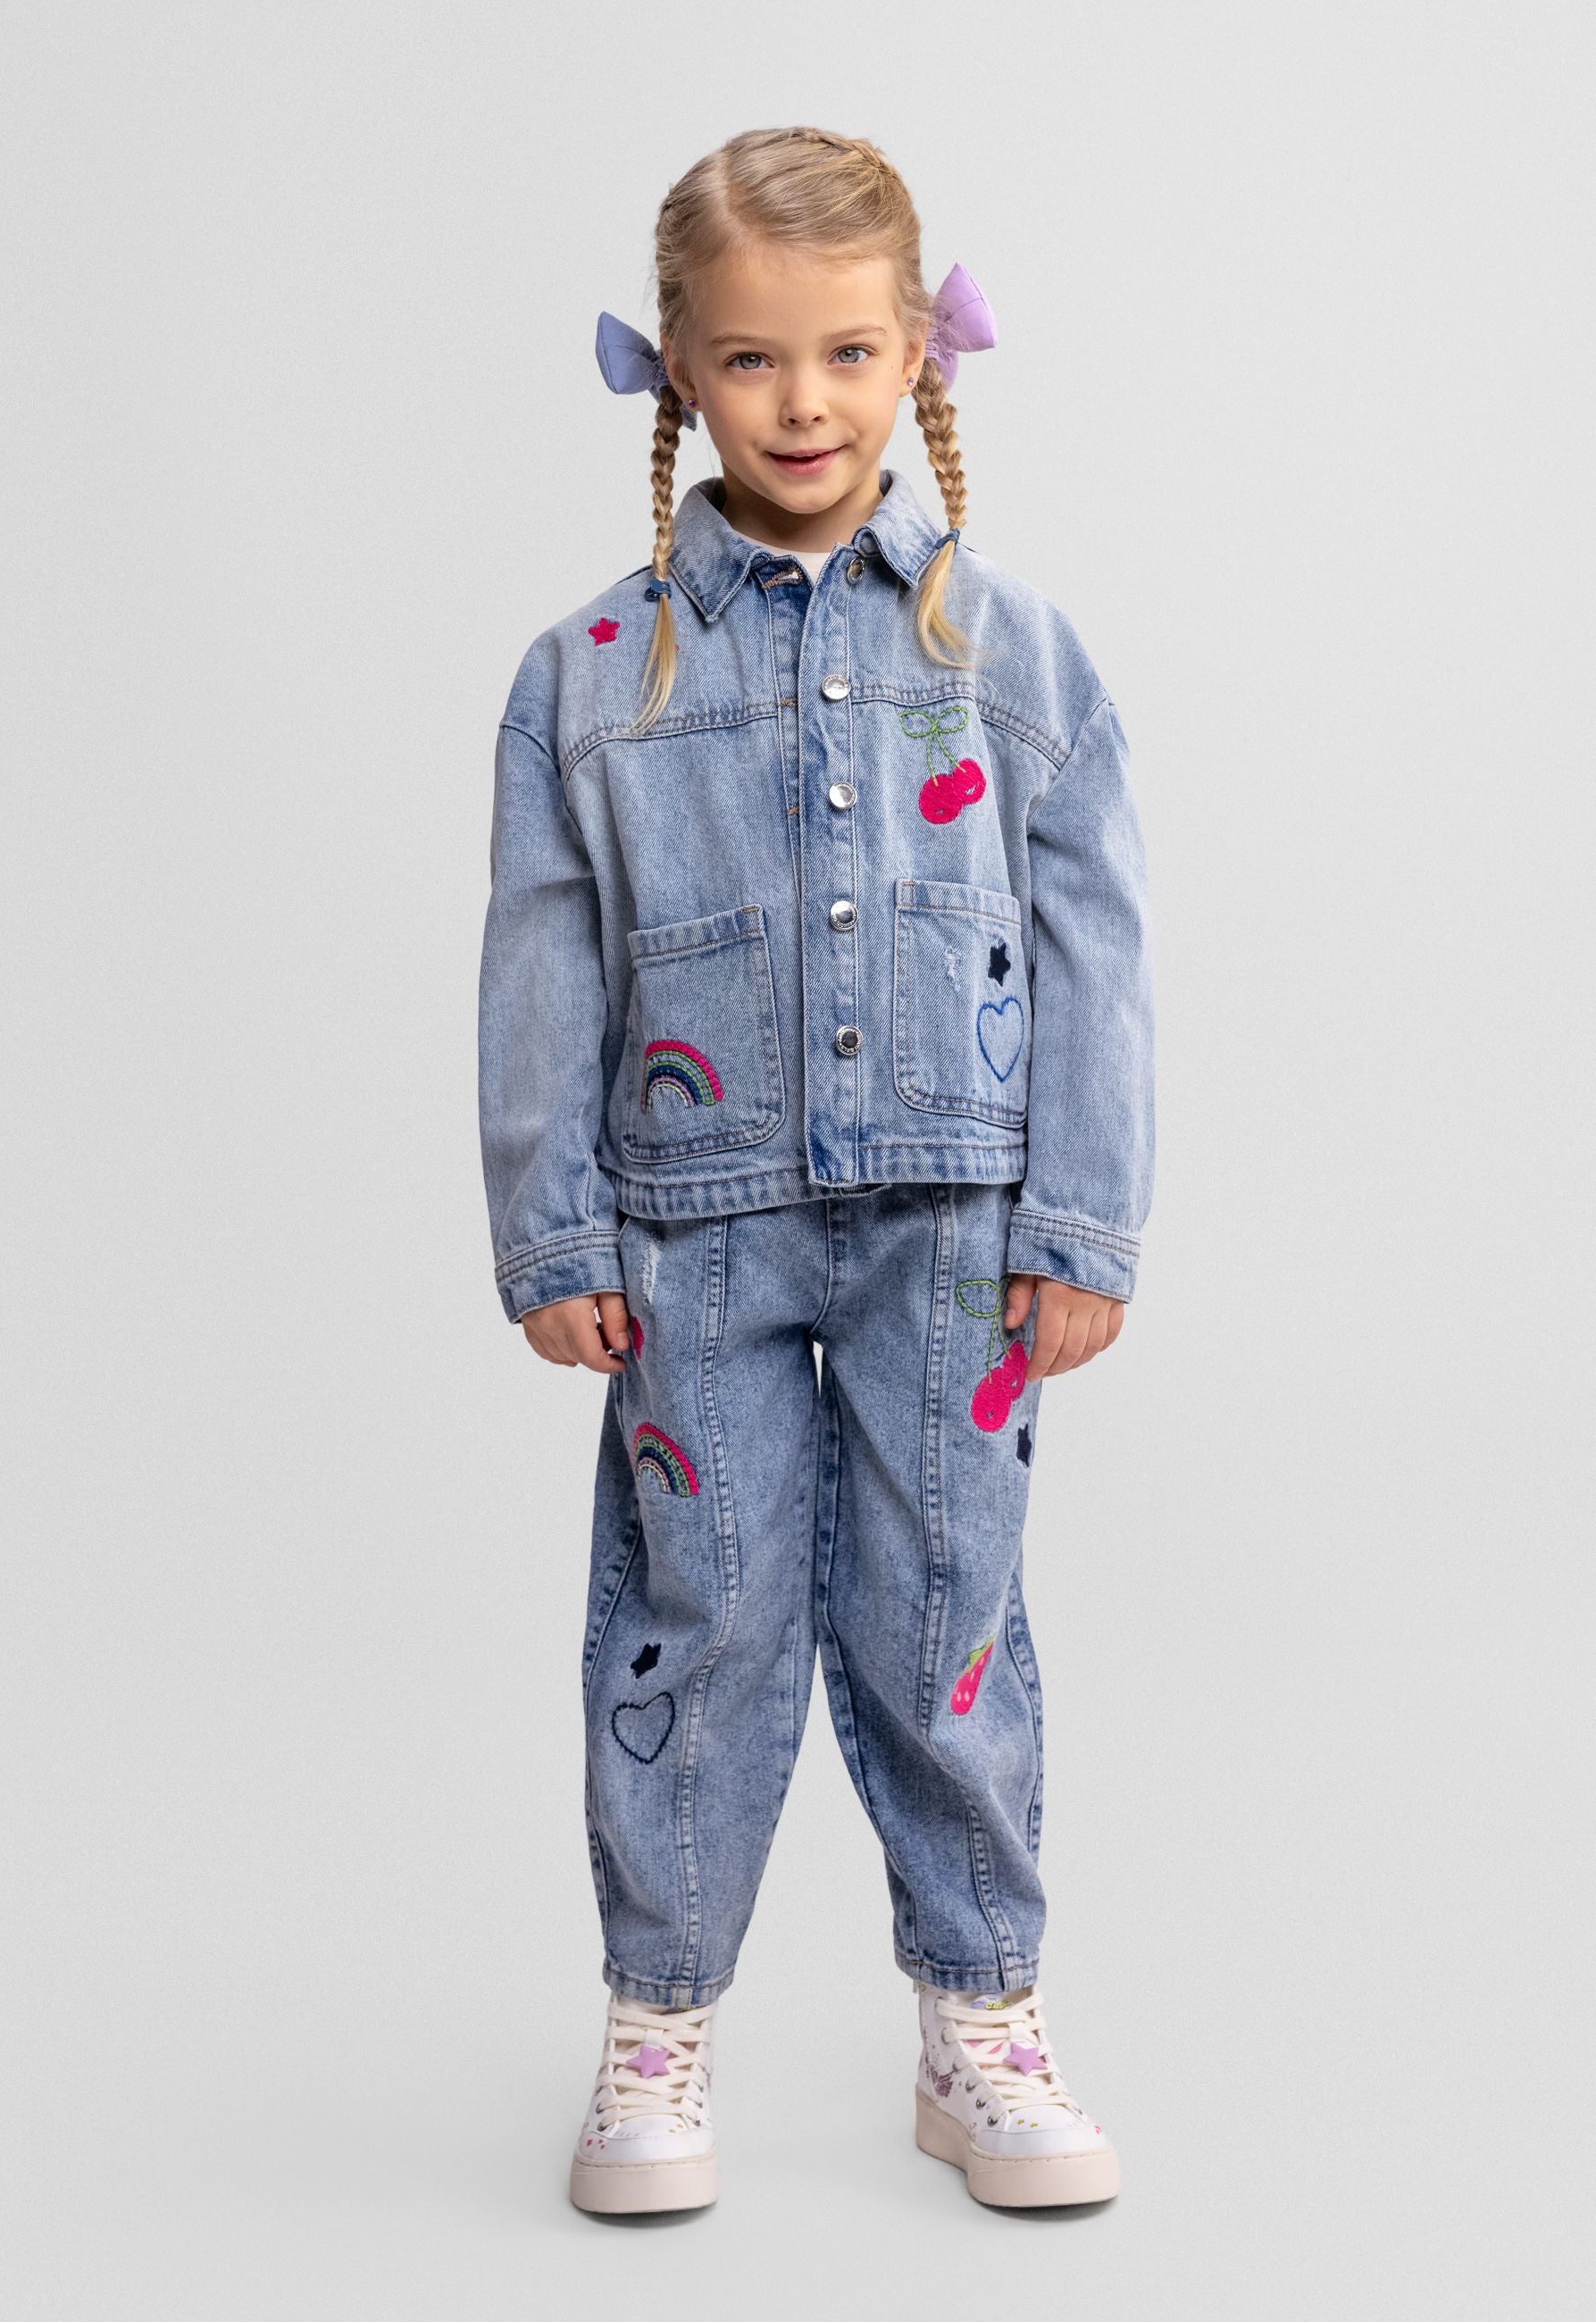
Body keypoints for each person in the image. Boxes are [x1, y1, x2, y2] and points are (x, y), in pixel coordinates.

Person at [477, 126, 1155, 2216]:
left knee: (949, 1615)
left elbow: (1096, 941)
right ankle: (658, 2023)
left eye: (849, 355)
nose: (804, 405)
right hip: (692, 1239)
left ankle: (982, 2018)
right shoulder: (591, 680)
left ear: (915, 354)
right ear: (678, 368)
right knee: (705, 1612)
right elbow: (540, 955)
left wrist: (1085, 1219)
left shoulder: (1012, 655)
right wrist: (551, 1223)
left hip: (954, 1232)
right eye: (756, 361)